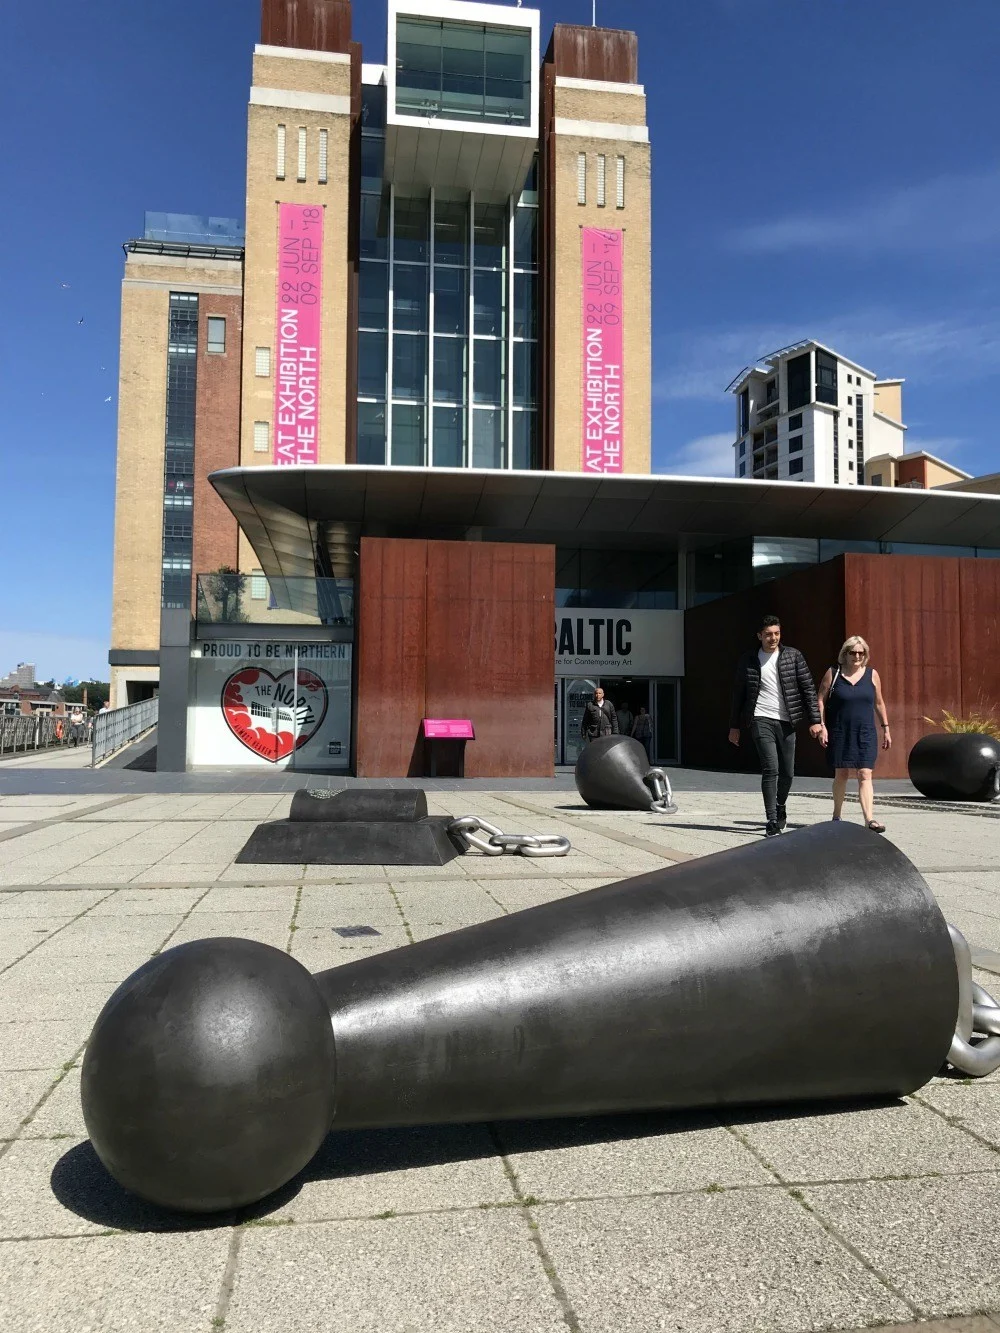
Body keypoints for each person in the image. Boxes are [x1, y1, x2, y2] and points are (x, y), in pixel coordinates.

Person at [729, 614, 823, 837]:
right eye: (769, 634)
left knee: (788, 773)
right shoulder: (749, 659)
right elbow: (738, 694)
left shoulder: (793, 656)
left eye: (777, 634)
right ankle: (771, 819)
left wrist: (815, 721)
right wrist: (734, 726)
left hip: (787, 720)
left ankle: (781, 805)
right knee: (770, 769)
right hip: (760, 718)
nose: (773, 638)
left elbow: (808, 689)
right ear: (759, 636)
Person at [817, 635, 891, 833]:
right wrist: (822, 725)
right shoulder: (833, 673)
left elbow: (879, 702)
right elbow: (821, 699)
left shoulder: (872, 675)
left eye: (861, 653)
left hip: (865, 732)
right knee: (841, 773)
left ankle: (869, 820)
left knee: (865, 773)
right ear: (845, 654)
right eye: (853, 652)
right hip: (840, 730)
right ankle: (837, 815)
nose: (857, 656)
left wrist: (886, 728)